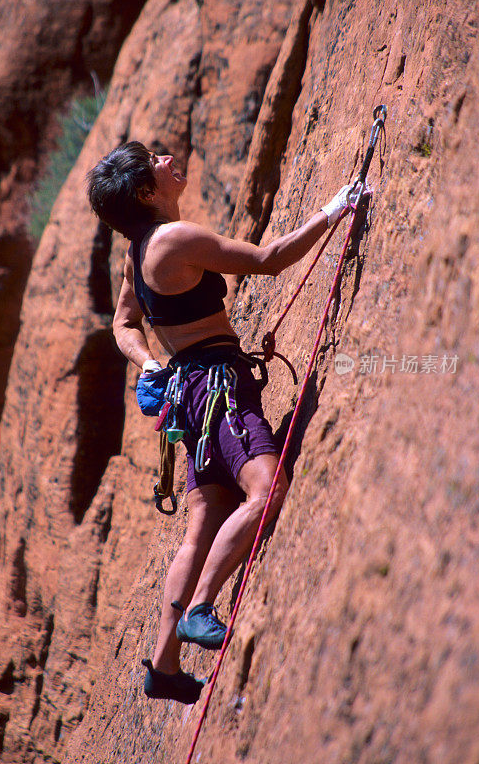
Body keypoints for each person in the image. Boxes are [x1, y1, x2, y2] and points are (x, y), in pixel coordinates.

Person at [87, 141, 353, 704]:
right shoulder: (176, 239)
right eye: (153, 162)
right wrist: (335, 209)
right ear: (145, 193)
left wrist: (150, 362)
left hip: (186, 395)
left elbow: (123, 323)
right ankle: (202, 607)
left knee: (205, 514)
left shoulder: (136, 255)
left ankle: (163, 666)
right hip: (217, 389)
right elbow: (266, 259)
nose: (165, 158)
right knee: (265, 489)